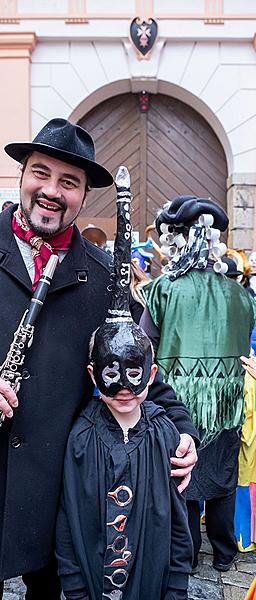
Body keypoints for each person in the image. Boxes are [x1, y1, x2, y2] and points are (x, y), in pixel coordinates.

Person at [0, 118, 198, 599]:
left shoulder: (107, 279)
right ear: (22, 175)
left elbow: (140, 374)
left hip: (62, 496)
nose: (51, 190)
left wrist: (183, 432)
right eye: (41, 173)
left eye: (69, 182)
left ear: (83, 195)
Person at [56, 167, 192, 600]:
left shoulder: (159, 432)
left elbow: (175, 521)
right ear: (94, 375)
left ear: (150, 374)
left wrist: (183, 429)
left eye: (135, 375)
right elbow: (69, 522)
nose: (124, 388)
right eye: (110, 376)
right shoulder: (83, 437)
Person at [140, 195, 256, 573]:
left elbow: (144, 346)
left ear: (179, 241)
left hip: (178, 406)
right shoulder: (242, 295)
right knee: (222, 479)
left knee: (184, 484)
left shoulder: (162, 290)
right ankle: (224, 554)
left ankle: (186, 558)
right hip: (228, 404)